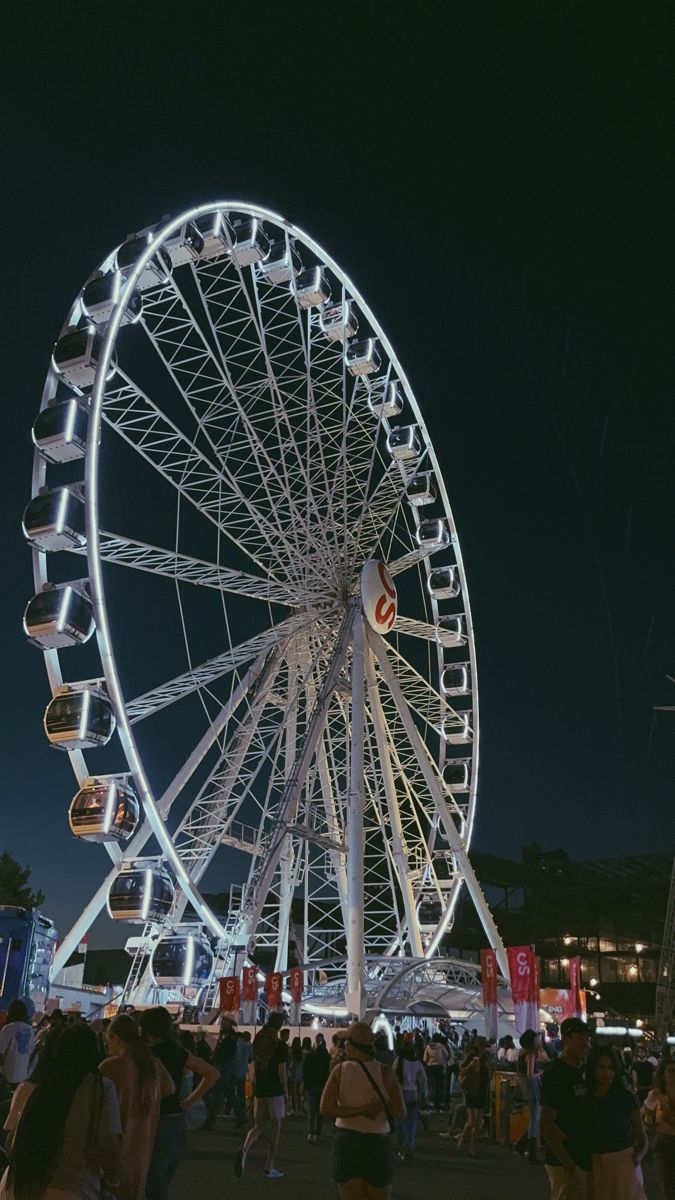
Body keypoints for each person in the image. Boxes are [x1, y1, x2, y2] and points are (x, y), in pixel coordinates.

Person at [0, 1022, 121, 1200]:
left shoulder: (29, 1088)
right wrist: (113, 1179)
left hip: (19, 1187)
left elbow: (11, 1146)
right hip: (74, 1188)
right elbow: (109, 1145)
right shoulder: (100, 1088)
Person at [139, 1006, 219, 1200]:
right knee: (163, 1178)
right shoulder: (177, 1051)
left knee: (150, 1179)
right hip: (175, 1118)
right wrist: (187, 1102)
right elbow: (212, 1073)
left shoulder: (142, 1055)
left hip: (151, 1118)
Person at [320, 1020, 404, 1200]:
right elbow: (400, 1113)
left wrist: (358, 1110)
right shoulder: (386, 1072)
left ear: (350, 1046)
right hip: (377, 1142)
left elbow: (326, 1108)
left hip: (347, 1141)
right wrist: (376, 1108)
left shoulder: (339, 1071)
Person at [99, 1013, 175, 1200]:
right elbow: (170, 1089)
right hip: (142, 1153)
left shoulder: (111, 1067)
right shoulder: (153, 1065)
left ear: (115, 1039)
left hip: (116, 1152)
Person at [582, 1045, 647, 1199]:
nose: (606, 1073)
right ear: (593, 1068)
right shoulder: (585, 1097)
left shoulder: (626, 1098)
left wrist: (637, 1157)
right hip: (593, 1163)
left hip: (623, 1162)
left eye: (611, 1068)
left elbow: (641, 1134)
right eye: (601, 1067)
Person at [540, 1016, 592, 1200]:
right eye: (580, 1038)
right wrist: (567, 1162)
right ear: (566, 1040)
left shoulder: (581, 1071)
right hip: (564, 1162)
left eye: (587, 1038)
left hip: (581, 1157)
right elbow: (546, 1123)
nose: (585, 1043)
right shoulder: (556, 1073)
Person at [235, 1011, 288, 1179]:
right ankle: (269, 1165)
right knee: (275, 1127)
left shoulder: (257, 1041)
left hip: (260, 1089)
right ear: (280, 1026)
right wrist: (286, 1094)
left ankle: (245, 1148)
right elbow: (282, 1071)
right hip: (275, 1090)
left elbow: (253, 1067)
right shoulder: (279, 1045)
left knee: (258, 1125)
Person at [643, 1058, 675, 1198]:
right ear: (663, 1074)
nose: (673, 1074)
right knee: (667, 1178)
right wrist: (650, 1118)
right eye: (671, 1071)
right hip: (664, 1141)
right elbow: (646, 1119)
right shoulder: (655, 1094)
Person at [455, 1037, 491, 1157]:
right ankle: (461, 1141)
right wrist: (471, 1066)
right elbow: (462, 1071)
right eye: (482, 1046)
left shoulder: (486, 1058)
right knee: (472, 1121)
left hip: (482, 1089)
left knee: (478, 1122)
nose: (483, 1048)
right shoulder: (472, 1057)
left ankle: (472, 1147)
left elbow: (488, 1073)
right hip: (471, 1090)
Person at [515, 1029, 546, 1164]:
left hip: (526, 1088)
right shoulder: (531, 1054)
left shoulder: (522, 1054)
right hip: (532, 1087)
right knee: (535, 1119)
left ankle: (522, 1145)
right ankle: (530, 1151)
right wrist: (541, 1073)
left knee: (535, 1119)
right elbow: (530, 1074)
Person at [394, 1040, 428, 1161]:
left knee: (400, 1121)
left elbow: (393, 1076)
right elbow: (423, 1080)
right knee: (411, 1122)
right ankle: (410, 1145)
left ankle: (401, 1147)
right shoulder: (417, 1063)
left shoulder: (399, 1061)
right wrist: (424, 1094)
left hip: (400, 1092)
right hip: (413, 1093)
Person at [212, 1015, 245, 1127]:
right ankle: (240, 1117)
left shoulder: (231, 1036)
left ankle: (211, 1119)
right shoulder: (223, 1034)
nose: (222, 1022)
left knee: (219, 1092)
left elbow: (227, 1051)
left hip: (225, 1065)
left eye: (224, 1021)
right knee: (228, 1092)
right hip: (221, 1065)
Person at [0, 1003, 35, 1091]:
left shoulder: (8, 1028)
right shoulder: (30, 1030)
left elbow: (1, 1054)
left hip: (7, 1075)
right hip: (22, 1076)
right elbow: (31, 1052)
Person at [303, 1036, 330, 1144]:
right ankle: (317, 1133)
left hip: (311, 1086)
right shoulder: (327, 1057)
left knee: (311, 1110)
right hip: (323, 1085)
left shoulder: (310, 1056)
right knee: (320, 1111)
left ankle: (310, 1132)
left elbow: (306, 1071)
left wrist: (305, 1085)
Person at [423, 1035, 448, 1111]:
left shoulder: (427, 1047)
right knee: (439, 1086)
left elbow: (424, 1059)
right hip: (439, 1068)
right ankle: (437, 1104)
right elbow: (446, 1055)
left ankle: (429, 1102)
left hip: (430, 1068)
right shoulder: (440, 1046)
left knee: (430, 1085)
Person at [232, 1032, 253, 1126]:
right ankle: (241, 1108)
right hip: (242, 1071)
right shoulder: (248, 1046)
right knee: (241, 1092)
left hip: (233, 1070)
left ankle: (229, 1108)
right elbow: (251, 1058)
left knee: (231, 1091)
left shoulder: (235, 1044)